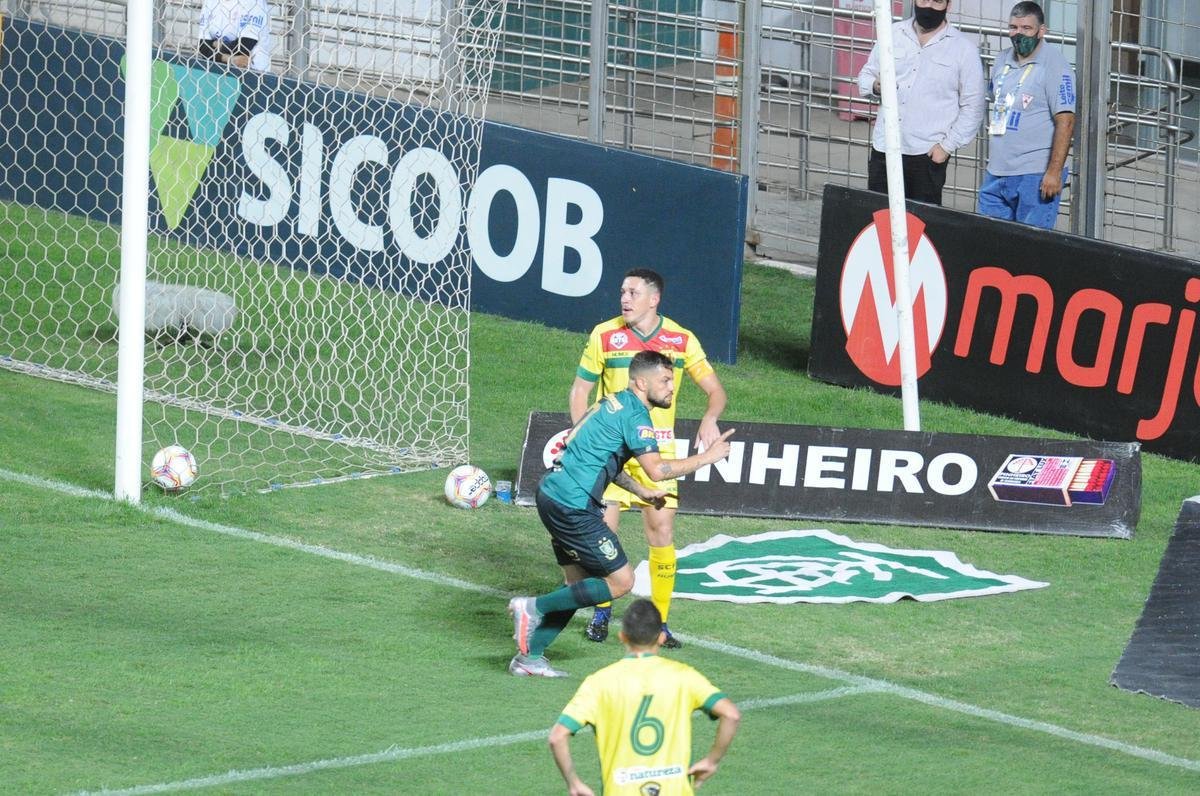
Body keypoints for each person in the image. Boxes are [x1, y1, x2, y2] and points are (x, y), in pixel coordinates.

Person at [509, 352, 734, 677]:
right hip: (574, 506)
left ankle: (530, 659)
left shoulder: (610, 404)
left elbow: (604, 460)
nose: (672, 388)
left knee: (577, 586)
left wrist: (641, 492)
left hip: (552, 494)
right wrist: (707, 457)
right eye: (665, 381)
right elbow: (658, 470)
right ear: (642, 382)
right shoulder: (636, 417)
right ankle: (532, 608)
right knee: (621, 581)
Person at [568, 269, 728, 650]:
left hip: (657, 452)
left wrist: (710, 417)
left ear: (653, 299)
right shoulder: (603, 335)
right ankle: (602, 610)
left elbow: (715, 389)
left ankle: (660, 621)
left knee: (662, 534)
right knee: (603, 534)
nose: (624, 298)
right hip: (612, 452)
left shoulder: (680, 338)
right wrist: (586, 438)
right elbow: (580, 390)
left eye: (633, 292)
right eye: (622, 291)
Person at [548, 599, 741, 795]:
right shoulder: (684, 676)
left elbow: (557, 737)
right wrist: (711, 761)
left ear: (622, 637)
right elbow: (731, 714)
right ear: (662, 638)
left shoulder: (599, 683)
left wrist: (573, 782)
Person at [856, 0, 985, 206]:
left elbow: (973, 107)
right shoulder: (893, 34)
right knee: (879, 223)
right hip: (885, 149)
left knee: (922, 229)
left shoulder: (963, 49)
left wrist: (946, 147)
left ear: (948, 5)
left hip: (926, 155)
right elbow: (866, 75)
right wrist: (876, 85)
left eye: (937, 1)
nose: (929, 7)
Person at [977, 1, 1076, 229]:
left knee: (1030, 250)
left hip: (1034, 173)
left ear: (1042, 31)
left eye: (1026, 28)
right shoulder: (1002, 59)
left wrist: (1053, 172)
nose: (1018, 33)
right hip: (997, 170)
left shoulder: (1055, 65)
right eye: (1013, 27)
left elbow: (1066, 121)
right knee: (992, 243)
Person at [197, 0, 273, 72]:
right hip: (217, 69)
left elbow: (244, 46)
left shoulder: (255, 3)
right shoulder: (210, 2)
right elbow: (203, 47)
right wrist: (230, 59)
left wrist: (217, 45)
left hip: (252, 71)